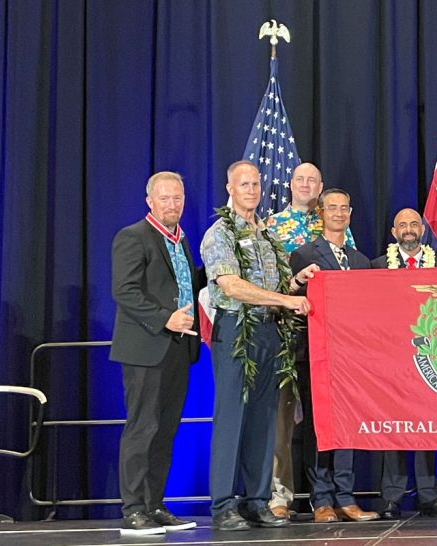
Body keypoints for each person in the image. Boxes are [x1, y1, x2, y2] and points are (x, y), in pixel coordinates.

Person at [201, 160, 313, 531]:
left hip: (269, 331)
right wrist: (285, 300)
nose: (251, 191)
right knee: (232, 417)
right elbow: (231, 285)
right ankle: (223, 505)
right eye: (244, 184)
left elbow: (279, 286)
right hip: (237, 331)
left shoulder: (266, 234)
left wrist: (297, 281)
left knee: (265, 419)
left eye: (255, 184)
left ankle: (257, 501)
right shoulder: (220, 233)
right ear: (229, 189)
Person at [110, 171, 201, 536]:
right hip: (146, 347)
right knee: (142, 428)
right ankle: (133, 509)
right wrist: (165, 318)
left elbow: (183, 284)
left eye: (177, 198)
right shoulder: (133, 236)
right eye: (165, 198)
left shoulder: (181, 239)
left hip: (179, 347)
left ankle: (154, 505)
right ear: (150, 201)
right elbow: (124, 291)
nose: (172, 204)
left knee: (165, 431)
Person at [264, 162, 356, 519]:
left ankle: (337, 496)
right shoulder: (272, 225)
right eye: (299, 179)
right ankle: (278, 495)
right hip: (289, 336)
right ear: (290, 184)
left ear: (320, 188)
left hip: (337, 343)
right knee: (283, 423)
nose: (305, 184)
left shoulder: (338, 229)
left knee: (333, 420)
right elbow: (270, 283)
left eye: (312, 180)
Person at [290, 188, 380, 523]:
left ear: (350, 214)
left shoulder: (360, 261)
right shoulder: (303, 256)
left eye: (344, 208)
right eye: (332, 208)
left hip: (351, 359)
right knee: (318, 426)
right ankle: (322, 499)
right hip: (316, 355)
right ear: (321, 213)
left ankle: (345, 497)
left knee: (347, 425)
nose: (339, 213)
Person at [370, 208, 437, 519]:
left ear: (423, 230)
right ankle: (392, 496)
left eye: (414, 224)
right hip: (389, 361)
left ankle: (430, 495)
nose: (408, 229)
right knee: (394, 427)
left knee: (427, 427)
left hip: (429, 359)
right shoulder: (376, 267)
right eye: (402, 225)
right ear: (394, 232)